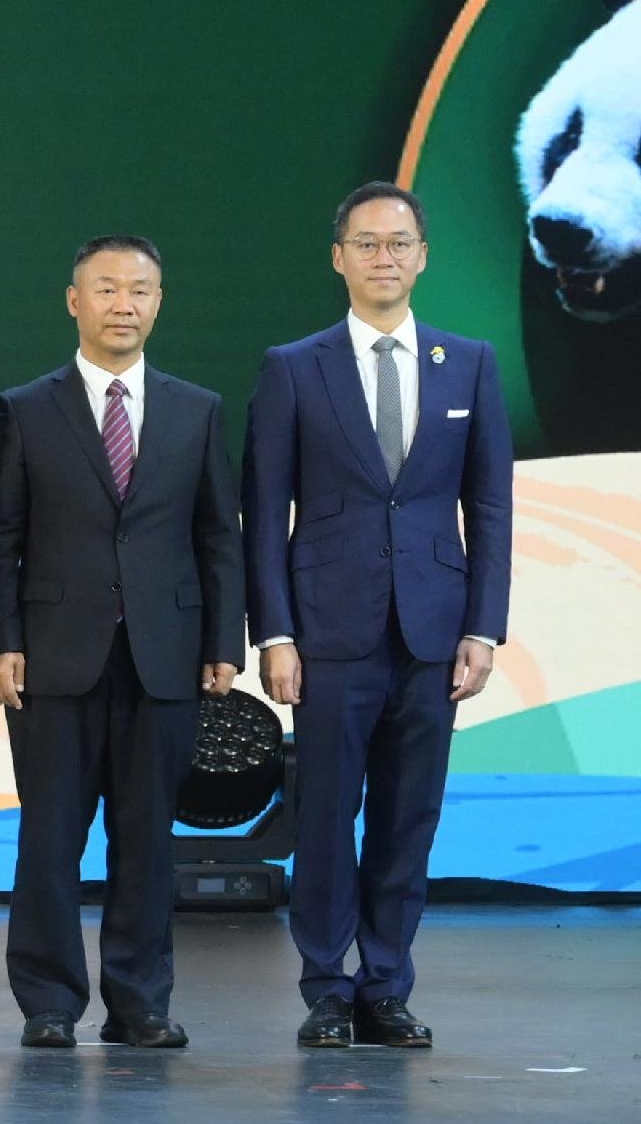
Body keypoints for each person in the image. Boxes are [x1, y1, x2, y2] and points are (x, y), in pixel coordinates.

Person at [246, 182, 513, 1050]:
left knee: (409, 817)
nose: (384, 257)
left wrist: (483, 626)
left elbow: (492, 507)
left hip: (435, 635)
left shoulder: (468, 361)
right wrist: (275, 632)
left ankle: (386, 984)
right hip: (326, 634)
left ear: (423, 255)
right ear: (339, 257)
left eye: (399, 243)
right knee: (325, 815)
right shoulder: (294, 365)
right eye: (367, 243)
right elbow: (266, 507)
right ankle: (327, 986)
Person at [0, 234, 242, 1050]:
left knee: (147, 839)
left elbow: (217, 535)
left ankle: (140, 1002)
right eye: (106, 289)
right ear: (73, 300)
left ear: (158, 303)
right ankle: (50, 1003)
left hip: (165, 654)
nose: (123, 304)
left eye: (140, 290)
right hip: (52, 656)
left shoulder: (196, 409)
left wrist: (225, 638)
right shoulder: (24, 407)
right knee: (50, 836)